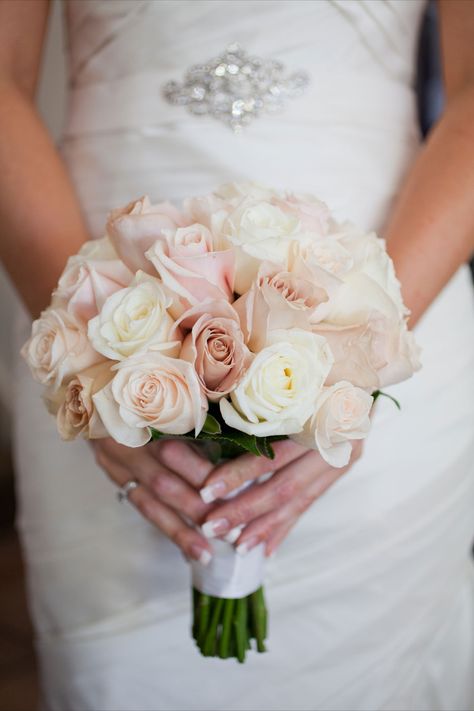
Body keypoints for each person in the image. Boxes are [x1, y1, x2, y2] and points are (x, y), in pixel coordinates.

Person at [1, 1, 473, 709]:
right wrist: (85, 352)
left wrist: (362, 354)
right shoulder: (90, 338)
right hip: (96, 282)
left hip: (396, 274)